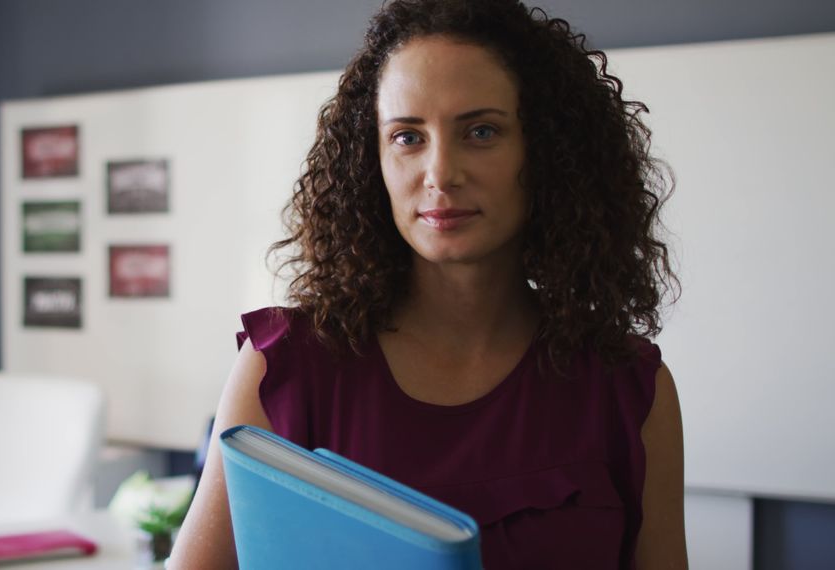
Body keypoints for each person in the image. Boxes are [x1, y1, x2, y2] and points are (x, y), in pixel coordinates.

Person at [169, 0, 686, 567]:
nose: (440, 174)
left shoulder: (629, 390)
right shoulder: (286, 370)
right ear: (373, 161)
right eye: (408, 137)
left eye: (481, 131)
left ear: (547, 153)